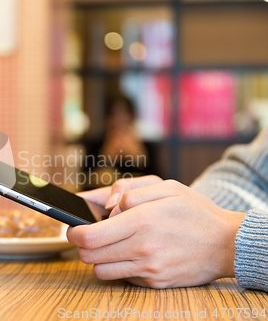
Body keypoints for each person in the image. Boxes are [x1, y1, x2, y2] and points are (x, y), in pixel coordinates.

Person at [67, 128, 268, 291]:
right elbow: (250, 177)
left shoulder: (145, 144)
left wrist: (227, 242)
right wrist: (177, 212)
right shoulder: (97, 143)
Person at [82, 94, 158, 190]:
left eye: (124, 114)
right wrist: (105, 159)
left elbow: (159, 182)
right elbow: (84, 182)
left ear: (132, 117)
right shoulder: (95, 145)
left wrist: (139, 159)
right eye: (114, 114)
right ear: (107, 119)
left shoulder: (146, 147)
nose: (119, 120)